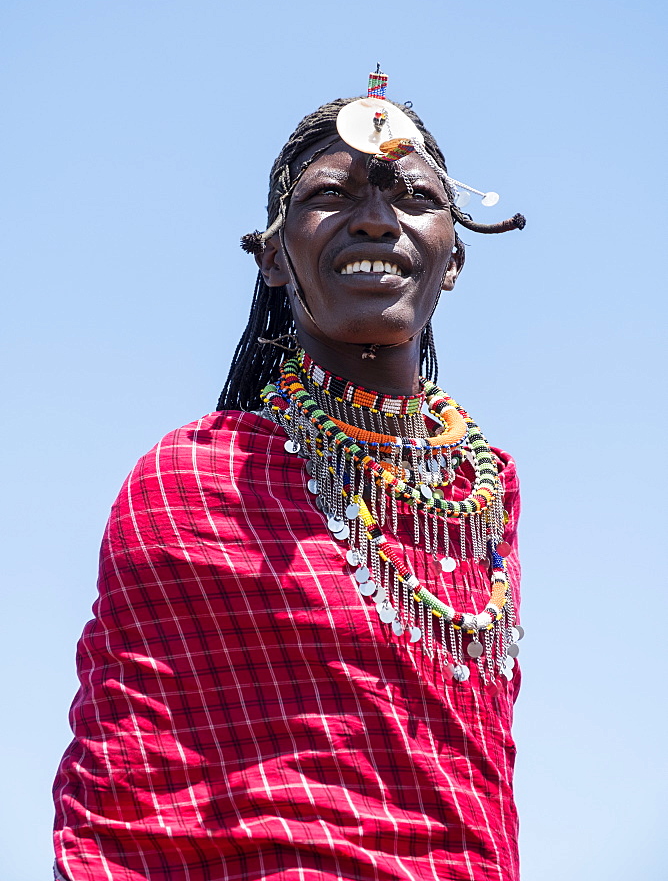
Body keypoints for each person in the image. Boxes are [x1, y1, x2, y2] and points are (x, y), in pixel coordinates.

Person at [53, 73, 526, 881]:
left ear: (453, 258)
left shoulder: (481, 493)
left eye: (413, 195)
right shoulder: (192, 480)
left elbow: (474, 786)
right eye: (333, 196)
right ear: (274, 256)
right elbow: (123, 798)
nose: (377, 218)